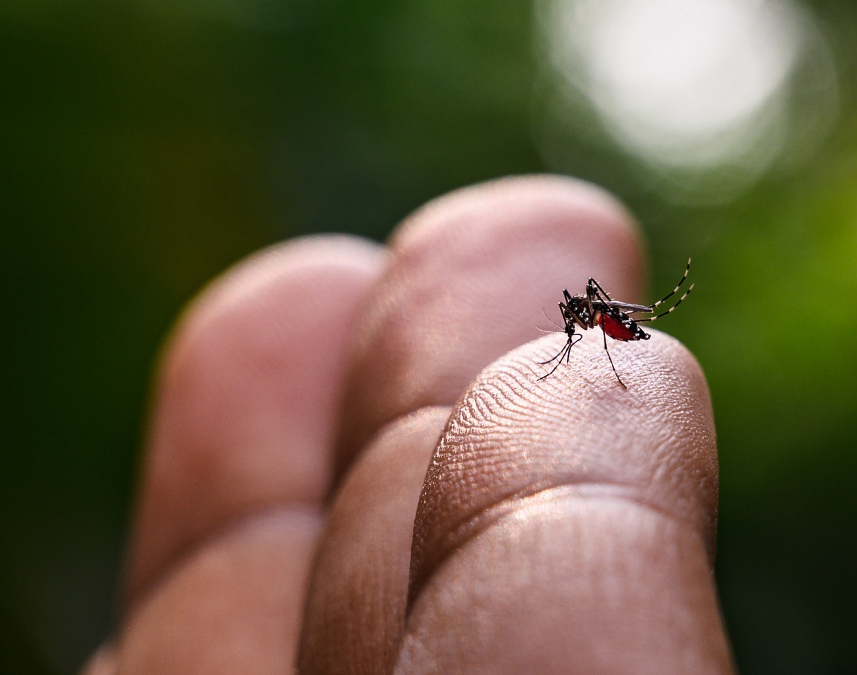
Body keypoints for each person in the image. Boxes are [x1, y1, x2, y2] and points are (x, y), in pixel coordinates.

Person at [82, 175, 734, 674]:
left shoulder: (597, 319)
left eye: (578, 316)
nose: (573, 316)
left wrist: (605, 338)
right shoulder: (580, 316)